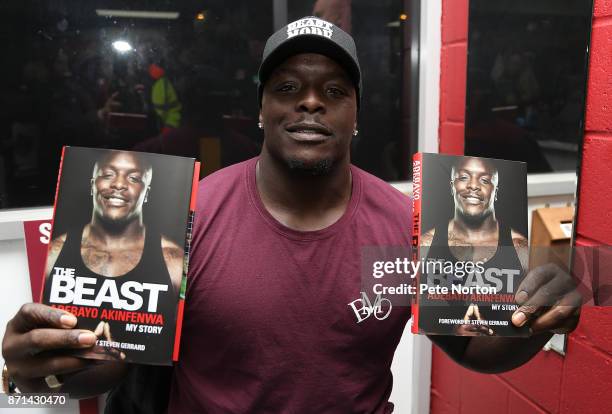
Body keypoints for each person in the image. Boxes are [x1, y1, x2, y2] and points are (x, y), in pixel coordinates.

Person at [2, 16, 580, 412]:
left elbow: (472, 349)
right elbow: (112, 364)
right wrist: (48, 365)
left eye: (333, 91)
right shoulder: (184, 213)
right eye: (287, 87)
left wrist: (538, 323)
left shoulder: (414, 224)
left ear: (357, 115)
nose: (309, 101)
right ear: (261, 109)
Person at [42, 150, 183, 361]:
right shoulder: (54, 253)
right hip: (73, 385)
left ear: (147, 191)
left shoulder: (173, 261)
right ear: (92, 184)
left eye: (134, 178)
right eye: (107, 174)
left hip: (145, 388)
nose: (118, 184)